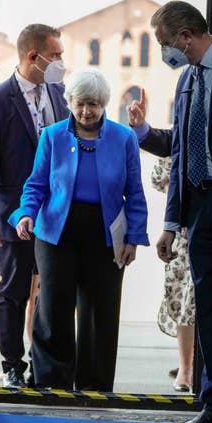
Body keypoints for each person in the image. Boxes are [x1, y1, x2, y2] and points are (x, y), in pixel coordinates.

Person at [131, 2, 212, 423]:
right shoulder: (185, 82)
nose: (166, 52)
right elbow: (182, 151)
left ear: (185, 37)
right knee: (207, 308)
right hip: (198, 208)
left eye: (166, 43)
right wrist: (170, 223)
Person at [9, 69, 149, 391]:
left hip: (105, 233)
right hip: (57, 232)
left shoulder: (124, 138)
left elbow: (135, 193)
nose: (87, 111)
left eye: (95, 104)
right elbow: (36, 185)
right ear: (69, 101)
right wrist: (25, 214)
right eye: (81, 103)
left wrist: (133, 238)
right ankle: (52, 383)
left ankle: (95, 386)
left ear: (104, 104)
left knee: (101, 312)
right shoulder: (53, 136)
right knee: (54, 309)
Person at [0, 23, 69, 388]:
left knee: (50, 289)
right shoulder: (0, 98)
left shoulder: (57, 92)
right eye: (55, 55)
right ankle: (11, 365)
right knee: (14, 289)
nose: (60, 61)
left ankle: (45, 366)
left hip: (53, 212)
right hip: (12, 212)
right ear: (32, 56)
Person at [151, 157, 195, 393]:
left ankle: (197, 365)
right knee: (184, 304)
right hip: (182, 233)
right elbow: (163, 181)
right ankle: (185, 368)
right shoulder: (175, 143)